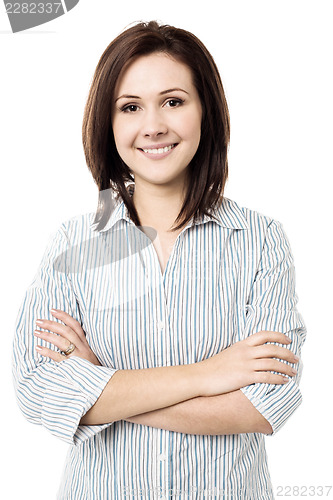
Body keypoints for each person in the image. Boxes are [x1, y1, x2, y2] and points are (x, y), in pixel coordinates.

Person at [12, 20, 306, 499]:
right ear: (109, 124)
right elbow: (42, 391)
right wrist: (208, 376)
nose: (153, 126)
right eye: (130, 107)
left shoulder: (260, 240)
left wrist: (101, 387)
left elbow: (264, 405)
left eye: (174, 101)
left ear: (205, 110)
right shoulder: (72, 245)